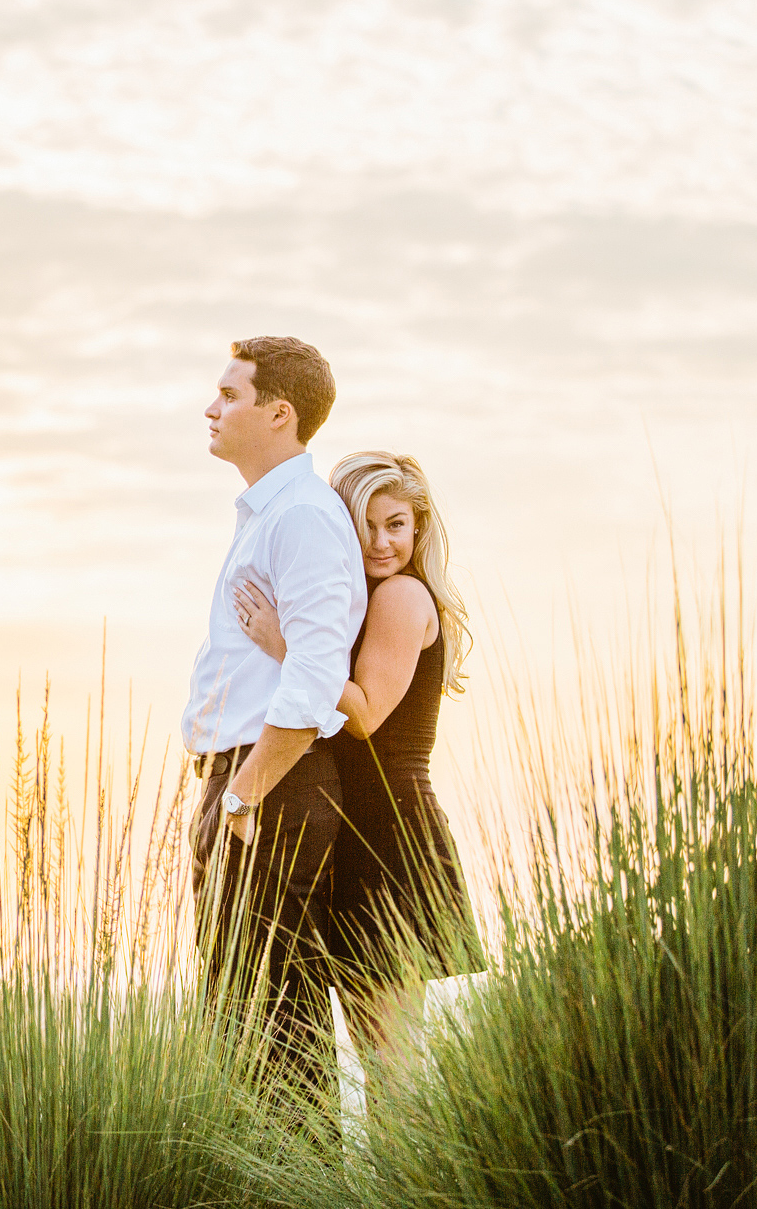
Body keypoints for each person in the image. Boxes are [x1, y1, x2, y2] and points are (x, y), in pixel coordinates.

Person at [234, 450, 481, 1074]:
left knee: (392, 1058)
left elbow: (366, 713)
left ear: (418, 528)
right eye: (362, 525)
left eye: (395, 525)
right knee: (373, 1053)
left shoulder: (401, 596)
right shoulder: (361, 603)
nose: (379, 542)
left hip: (392, 833)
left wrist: (287, 646)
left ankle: (418, 1177)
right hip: (356, 830)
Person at [183, 337, 367, 1095]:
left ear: (278, 412)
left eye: (229, 394)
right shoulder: (269, 514)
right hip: (248, 783)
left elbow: (315, 681)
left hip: (272, 789)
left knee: (274, 1021)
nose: (210, 407)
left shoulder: (304, 519)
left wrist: (241, 793)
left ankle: (301, 1181)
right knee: (241, 1015)